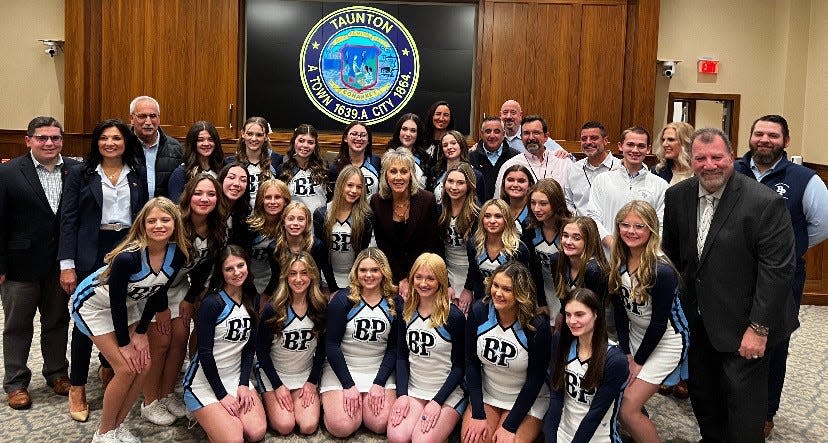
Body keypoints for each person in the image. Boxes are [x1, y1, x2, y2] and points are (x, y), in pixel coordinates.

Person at [662, 128, 798, 442]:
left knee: (743, 408)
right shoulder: (678, 196)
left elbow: (777, 271)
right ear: (691, 160)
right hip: (699, 322)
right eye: (701, 158)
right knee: (704, 398)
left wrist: (759, 328)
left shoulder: (763, 202)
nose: (710, 165)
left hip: (747, 325)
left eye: (717, 157)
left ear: (731, 158)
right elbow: (674, 255)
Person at [734, 114, 828, 437]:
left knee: (772, 344)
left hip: (782, 279)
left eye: (773, 135)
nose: (764, 140)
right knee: (729, 336)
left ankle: (765, 411)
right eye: (759, 133)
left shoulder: (805, 179)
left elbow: (821, 225)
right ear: (750, 137)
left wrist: (788, 250)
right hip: (732, 275)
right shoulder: (732, 170)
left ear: (786, 142)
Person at [69, 197, 188, 442]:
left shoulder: (177, 256)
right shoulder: (128, 257)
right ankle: (102, 433)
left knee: (143, 365)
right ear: (142, 225)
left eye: (165, 220)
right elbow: (114, 304)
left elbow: (157, 294)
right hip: (94, 305)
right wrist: (125, 343)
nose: (159, 225)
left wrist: (142, 332)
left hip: (131, 304)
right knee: (124, 368)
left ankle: (117, 425)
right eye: (151, 221)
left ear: (175, 224)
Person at [58, 118, 148, 422]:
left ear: (126, 142)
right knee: (86, 320)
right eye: (105, 138)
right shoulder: (81, 174)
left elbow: (141, 217)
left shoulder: (136, 174)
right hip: (90, 250)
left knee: (122, 309)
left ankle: (108, 366)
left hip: (125, 248)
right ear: (97, 142)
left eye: (117, 138)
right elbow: (68, 219)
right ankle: (78, 386)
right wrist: (67, 264)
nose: (111, 143)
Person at [0, 116, 79, 410]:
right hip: (19, 265)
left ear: (62, 140)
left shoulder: (75, 169)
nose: (49, 143)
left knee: (57, 322)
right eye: (43, 138)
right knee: (17, 326)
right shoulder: (8, 173)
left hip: (59, 265)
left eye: (55, 138)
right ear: (28, 140)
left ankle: (57, 373)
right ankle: (16, 383)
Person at [140, 174, 226, 426]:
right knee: (161, 341)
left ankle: (166, 394)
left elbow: (203, 268)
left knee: (180, 336)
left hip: (178, 287)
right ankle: (149, 401)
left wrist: (189, 299)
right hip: (152, 288)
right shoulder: (174, 222)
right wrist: (162, 308)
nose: (205, 199)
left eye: (211, 194)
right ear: (189, 195)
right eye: (199, 193)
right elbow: (157, 268)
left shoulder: (215, 226)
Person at [608, 200, 689, 442]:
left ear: (651, 230)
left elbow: (658, 324)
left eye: (639, 226)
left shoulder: (660, 269)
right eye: (625, 225)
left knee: (627, 407)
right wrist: (626, 353)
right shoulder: (619, 259)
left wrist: (638, 361)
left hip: (666, 339)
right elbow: (620, 311)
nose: (631, 231)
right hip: (636, 334)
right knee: (618, 393)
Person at [182, 245, 267, 443]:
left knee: (256, 433)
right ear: (221, 272)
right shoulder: (212, 303)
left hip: (235, 377)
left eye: (241, 265)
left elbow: (248, 348)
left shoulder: (252, 297)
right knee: (234, 439)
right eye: (229, 269)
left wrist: (244, 384)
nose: (237, 272)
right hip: (204, 382)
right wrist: (221, 395)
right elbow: (204, 353)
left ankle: (216, 418)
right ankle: (201, 413)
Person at [462, 262, 551, 443]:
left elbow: (535, 380)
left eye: (507, 289)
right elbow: (471, 364)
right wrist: (478, 413)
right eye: (495, 286)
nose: (498, 293)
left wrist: (510, 426)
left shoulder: (537, 326)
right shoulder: (479, 311)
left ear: (520, 293)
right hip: (489, 394)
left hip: (526, 401)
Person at [320, 247, 402, 438]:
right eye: (363, 270)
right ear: (355, 272)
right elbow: (331, 345)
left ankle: (363, 407)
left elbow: (393, 348)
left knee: (380, 423)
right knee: (342, 426)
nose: (369, 275)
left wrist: (379, 382)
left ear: (384, 272)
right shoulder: (343, 300)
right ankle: (330, 405)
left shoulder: (394, 302)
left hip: (378, 367)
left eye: (374, 270)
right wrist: (348, 385)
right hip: (342, 367)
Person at [388, 253, 466, 443]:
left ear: (441, 280)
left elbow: (460, 366)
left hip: (446, 393)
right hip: (415, 387)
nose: (423, 283)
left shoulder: (453, 316)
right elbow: (401, 357)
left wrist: (437, 402)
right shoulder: (406, 310)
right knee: (397, 437)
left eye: (430, 278)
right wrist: (402, 395)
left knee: (422, 441)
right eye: (419, 277)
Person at [256, 252, 327, 436]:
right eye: (292, 273)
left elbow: (321, 350)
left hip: (303, 372)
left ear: (312, 275)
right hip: (275, 374)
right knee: (285, 426)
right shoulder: (274, 309)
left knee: (308, 426)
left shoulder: (319, 307)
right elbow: (261, 352)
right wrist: (278, 386)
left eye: (304, 273)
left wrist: (312, 382)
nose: (298, 279)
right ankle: (265, 396)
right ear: (285, 277)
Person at [545, 287, 628, 442]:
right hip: (563, 432)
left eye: (579, 314)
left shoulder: (615, 360)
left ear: (596, 315)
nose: (572, 321)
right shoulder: (561, 342)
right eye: (568, 315)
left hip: (598, 437)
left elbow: (595, 414)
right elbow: (556, 396)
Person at [585, 126, 668, 251]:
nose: (635, 150)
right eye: (630, 144)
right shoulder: (602, 180)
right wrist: (612, 243)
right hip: (607, 256)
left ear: (648, 149)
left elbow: (661, 225)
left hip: (643, 258)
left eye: (641, 146)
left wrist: (643, 249)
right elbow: (593, 217)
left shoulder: (660, 185)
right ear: (620, 146)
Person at [370, 149, 440, 296]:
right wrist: (400, 278)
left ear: (411, 174)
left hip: (423, 274)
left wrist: (413, 277)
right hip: (390, 275)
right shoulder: (377, 202)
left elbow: (431, 244)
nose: (398, 177)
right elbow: (383, 244)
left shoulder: (427, 200)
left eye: (404, 171)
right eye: (393, 171)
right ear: (385, 175)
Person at [314, 165, 373, 294]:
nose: (354, 191)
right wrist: (332, 287)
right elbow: (321, 256)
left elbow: (361, 254)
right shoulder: (321, 214)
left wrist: (355, 282)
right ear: (340, 185)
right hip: (327, 280)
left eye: (359, 187)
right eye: (350, 185)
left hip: (355, 280)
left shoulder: (366, 216)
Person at [551, 216, 611, 337]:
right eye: (565, 235)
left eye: (576, 238)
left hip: (597, 327)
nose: (568, 242)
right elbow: (563, 297)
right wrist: (562, 313)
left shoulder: (594, 270)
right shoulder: (556, 260)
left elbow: (597, 312)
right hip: (573, 320)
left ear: (589, 241)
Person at [522, 178, 572, 317]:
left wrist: (564, 310)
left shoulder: (570, 228)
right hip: (542, 290)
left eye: (543, 204)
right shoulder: (529, 227)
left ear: (556, 204)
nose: (536, 209)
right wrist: (540, 301)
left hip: (568, 292)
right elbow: (532, 269)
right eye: (533, 203)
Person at [465, 199, 532, 301]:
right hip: (483, 301)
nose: (492, 221)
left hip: (510, 302)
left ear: (507, 220)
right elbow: (475, 277)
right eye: (487, 216)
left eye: (498, 216)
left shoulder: (518, 250)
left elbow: (523, 286)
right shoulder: (474, 244)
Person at [493, 115, 573, 199]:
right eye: (526, 133)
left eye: (536, 133)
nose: (531, 138)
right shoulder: (509, 165)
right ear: (521, 137)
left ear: (546, 137)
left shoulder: (563, 163)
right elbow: (499, 202)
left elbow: (573, 200)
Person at [438, 162, 480, 314]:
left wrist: (469, 288)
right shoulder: (439, 210)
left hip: (471, 273)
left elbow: (478, 255)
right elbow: (437, 249)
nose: (454, 187)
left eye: (460, 183)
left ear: (469, 185)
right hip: (446, 272)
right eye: (450, 181)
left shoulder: (478, 214)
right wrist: (446, 283)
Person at [129, 96, 183, 197]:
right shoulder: (123, 146)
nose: (148, 122)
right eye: (142, 116)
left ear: (159, 118)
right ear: (132, 118)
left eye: (153, 116)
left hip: (164, 211)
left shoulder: (175, 148)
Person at [245, 179, 290, 297]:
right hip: (249, 282)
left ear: (286, 201)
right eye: (268, 197)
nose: (273, 202)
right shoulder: (249, 227)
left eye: (278, 197)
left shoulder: (291, 227)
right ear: (261, 200)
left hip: (279, 284)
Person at [564, 121, 621, 215]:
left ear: (605, 141)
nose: (588, 142)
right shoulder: (573, 169)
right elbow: (568, 202)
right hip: (580, 226)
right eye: (584, 139)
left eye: (594, 138)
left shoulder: (620, 167)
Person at [226, 116, 284, 207]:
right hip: (239, 216)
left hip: (268, 216)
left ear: (265, 137)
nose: (253, 139)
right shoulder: (230, 162)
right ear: (243, 134)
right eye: (249, 134)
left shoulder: (276, 160)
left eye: (259, 135)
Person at [276, 124, 328, 215]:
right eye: (301, 141)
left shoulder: (324, 168)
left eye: (310, 142)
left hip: (319, 223)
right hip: (293, 223)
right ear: (294, 142)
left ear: (315, 146)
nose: (305, 145)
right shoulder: (283, 169)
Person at [167, 121, 225, 202]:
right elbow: (176, 206)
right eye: (200, 140)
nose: (206, 143)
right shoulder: (181, 173)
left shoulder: (222, 169)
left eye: (210, 140)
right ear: (193, 143)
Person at [469, 116, 520, 202]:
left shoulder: (515, 157)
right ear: (482, 134)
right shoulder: (470, 158)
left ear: (503, 134)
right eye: (488, 131)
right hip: (477, 210)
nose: (492, 135)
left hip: (507, 210)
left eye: (497, 132)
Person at [330, 121, 382, 199]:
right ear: (345, 138)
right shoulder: (335, 167)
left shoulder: (377, 162)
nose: (359, 138)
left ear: (368, 140)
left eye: (363, 135)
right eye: (354, 134)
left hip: (372, 210)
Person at [432, 130, 485, 205]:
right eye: (445, 145)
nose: (449, 147)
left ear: (461, 145)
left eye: (453, 143)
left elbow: (480, 204)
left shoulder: (476, 175)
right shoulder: (435, 171)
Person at [499, 99, 567, 155]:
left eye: (513, 113)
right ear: (500, 115)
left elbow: (568, 157)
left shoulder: (534, 137)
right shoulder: (496, 138)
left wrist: (565, 155)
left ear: (520, 115)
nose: (508, 117)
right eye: (505, 113)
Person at [385, 113, 432, 188]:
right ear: (399, 131)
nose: (408, 134)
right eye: (404, 129)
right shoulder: (388, 156)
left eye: (413, 131)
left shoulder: (425, 159)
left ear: (418, 134)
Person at [218, 162, 251, 246]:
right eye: (231, 177)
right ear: (222, 180)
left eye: (243, 180)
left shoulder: (244, 213)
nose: (237, 184)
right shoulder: (209, 209)